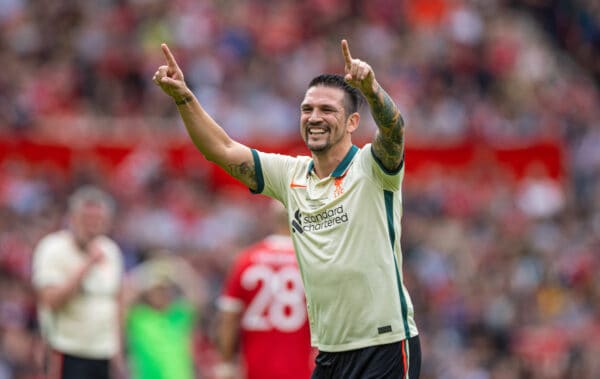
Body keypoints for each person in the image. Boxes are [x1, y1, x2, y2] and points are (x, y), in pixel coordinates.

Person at [153, 38, 421, 378]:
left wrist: (372, 89)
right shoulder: (291, 175)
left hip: (384, 345)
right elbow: (220, 148)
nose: (314, 118)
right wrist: (183, 98)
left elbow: (395, 130)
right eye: (307, 109)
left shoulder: (372, 167)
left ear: (353, 122)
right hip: (330, 351)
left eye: (327, 110)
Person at [31, 185, 125, 379]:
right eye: (87, 220)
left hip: (102, 352)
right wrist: (86, 265)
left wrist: (117, 350)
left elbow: (116, 302)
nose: (93, 226)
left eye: (98, 221)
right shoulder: (53, 248)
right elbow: (50, 300)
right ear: (72, 219)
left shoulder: (111, 251)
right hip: (66, 349)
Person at [215, 201, 314, 379]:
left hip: (256, 367)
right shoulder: (311, 261)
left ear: (271, 220)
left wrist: (226, 363)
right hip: (302, 368)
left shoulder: (246, 260)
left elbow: (228, 319)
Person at [124, 251, 203, 379]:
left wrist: (180, 270)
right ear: (147, 293)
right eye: (156, 290)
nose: (161, 295)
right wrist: (145, 272)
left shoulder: (178, 315)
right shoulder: (139, 317)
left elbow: (198, 296)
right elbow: (125, 299)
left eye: (165, 290)